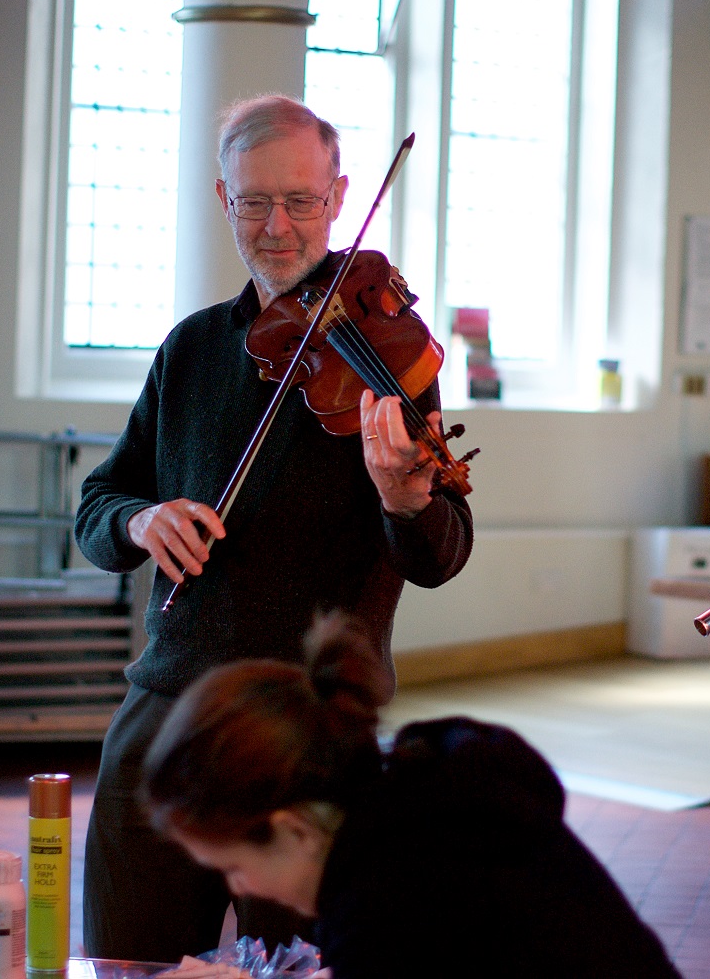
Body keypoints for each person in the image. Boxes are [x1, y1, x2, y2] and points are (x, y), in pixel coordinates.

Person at [73, 95, 474, 964]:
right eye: (254, 201)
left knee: (299, 966)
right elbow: (98, 504)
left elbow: (443, 549)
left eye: (300, 200)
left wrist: (405, 500)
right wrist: (141, 520)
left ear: (340, 198)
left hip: (309, 722)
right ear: (224, 199)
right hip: (170, 706)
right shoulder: (190, 348)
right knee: (128, 958)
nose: (278, 226)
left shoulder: (386, 355)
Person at [140, 613, 685, 979]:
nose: (238, 888)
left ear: (295, 829)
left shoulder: (387, 899)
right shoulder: (422, 800)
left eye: (233, 867)